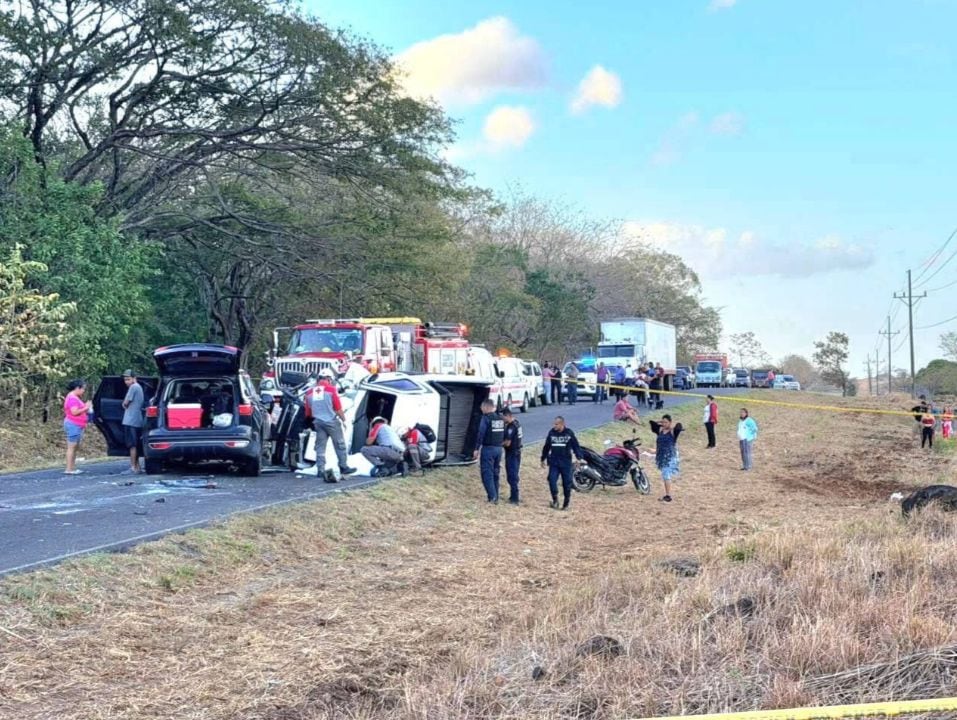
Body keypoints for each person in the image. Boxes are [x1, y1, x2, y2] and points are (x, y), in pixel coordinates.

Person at [304, 369, 357, 481]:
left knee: (320, 447)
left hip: (318, 422)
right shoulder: (331, 390)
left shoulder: (309, 393)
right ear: (328, 378)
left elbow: (308, 412)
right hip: (331, 421)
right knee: (339, 445)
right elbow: (338, 408)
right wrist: (344, 419)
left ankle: (320, 469)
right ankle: (343, 467)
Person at [540, 416, 583, 510]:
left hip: (566, 463)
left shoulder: (569, 433)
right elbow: (546, 447)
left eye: (556, 424)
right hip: (554, 462)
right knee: (551, 480)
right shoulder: (551, 433)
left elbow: (576, 446)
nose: (554, 426)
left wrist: (579, 458)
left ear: (562, 424)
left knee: (567, 483)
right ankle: (555, 500)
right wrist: (543, 458)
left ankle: (566, 504)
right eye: (554, 424)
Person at [473, 399, 505, 503]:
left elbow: (480, 434)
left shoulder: (486, 418)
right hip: (499, 449)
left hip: (488, 449)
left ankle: (492, 497)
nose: (481, 410)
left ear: (486, 407)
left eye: (482, 408)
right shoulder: (500, 419)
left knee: (487, 473)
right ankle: (496, 496)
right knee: (496, 473)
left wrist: (476, 448)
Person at [648, 414, 684, 502]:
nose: (664, 424)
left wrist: (671, 425)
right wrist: (659, 422)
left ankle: (668, 495)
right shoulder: (660, 430)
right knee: (665, 474)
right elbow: (651, 423)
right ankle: (667, 494)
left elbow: (679, 426)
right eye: (663, 422)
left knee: (666, 474)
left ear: (670, 423)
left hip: (669, 456)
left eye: (666, 422)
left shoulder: (672, 432)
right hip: (661, 455)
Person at [63, 379, 93, 475]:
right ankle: (68, 469)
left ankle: (72, 467)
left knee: (74, 447)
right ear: (77, 388)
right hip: (73, 424)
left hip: (77, 424)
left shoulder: (75, 397)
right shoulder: (72, 398)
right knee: (71, 447)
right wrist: (86, 407)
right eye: (83, 388)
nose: (84, 391)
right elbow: (74, 412)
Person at [121, 370, 145, 473]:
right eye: (125, 379)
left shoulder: (133, 387)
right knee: (136, 444)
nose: (126, 382)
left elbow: (126, 403)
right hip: (137, 419)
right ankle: (137, 467)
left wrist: (124, 404)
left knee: (132, 445)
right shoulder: (139, 387)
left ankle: (133, 467)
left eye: (128, 379)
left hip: (130, 420)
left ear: (134, 378)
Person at [502, 407, 523, 504]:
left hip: (512, 453)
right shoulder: (517, 423)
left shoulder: (511, 426)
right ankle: (514, 495)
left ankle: (515, 498)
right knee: (514, 474)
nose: (503, 420)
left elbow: (508, 443)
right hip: (517, 452)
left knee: (512, 475)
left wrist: (499, 444)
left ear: (508, 416)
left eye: (504, 417)